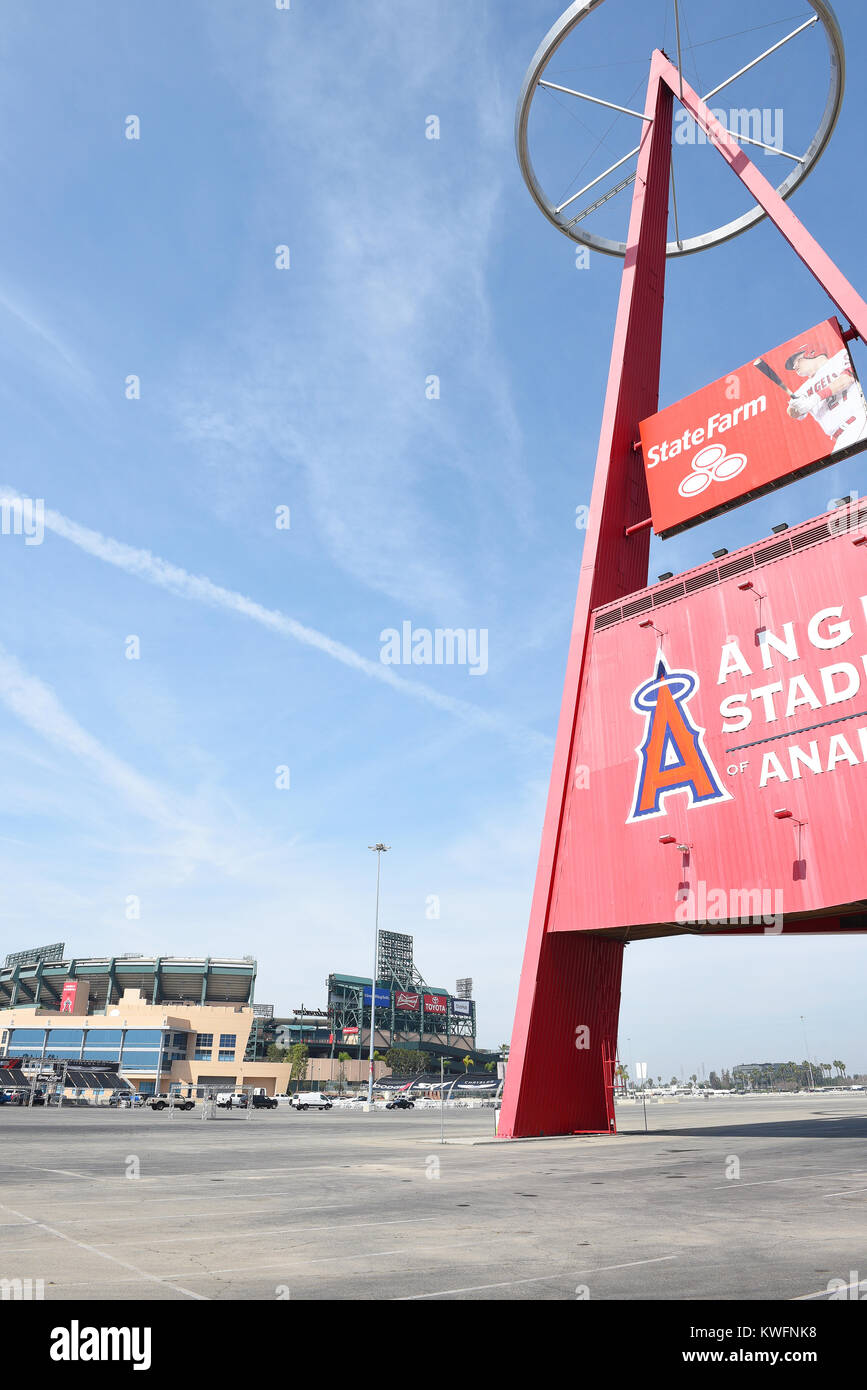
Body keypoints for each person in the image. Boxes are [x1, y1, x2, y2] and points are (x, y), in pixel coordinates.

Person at [785, 344, 867, 452]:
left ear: (811, 353)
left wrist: (816, 397)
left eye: (796, 361)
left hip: (859, 420)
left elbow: (846, 379)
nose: (794, 367)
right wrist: (796, 408)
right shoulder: (802, 390)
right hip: (842, 437)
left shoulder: (840, 357)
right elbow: (792, 412)